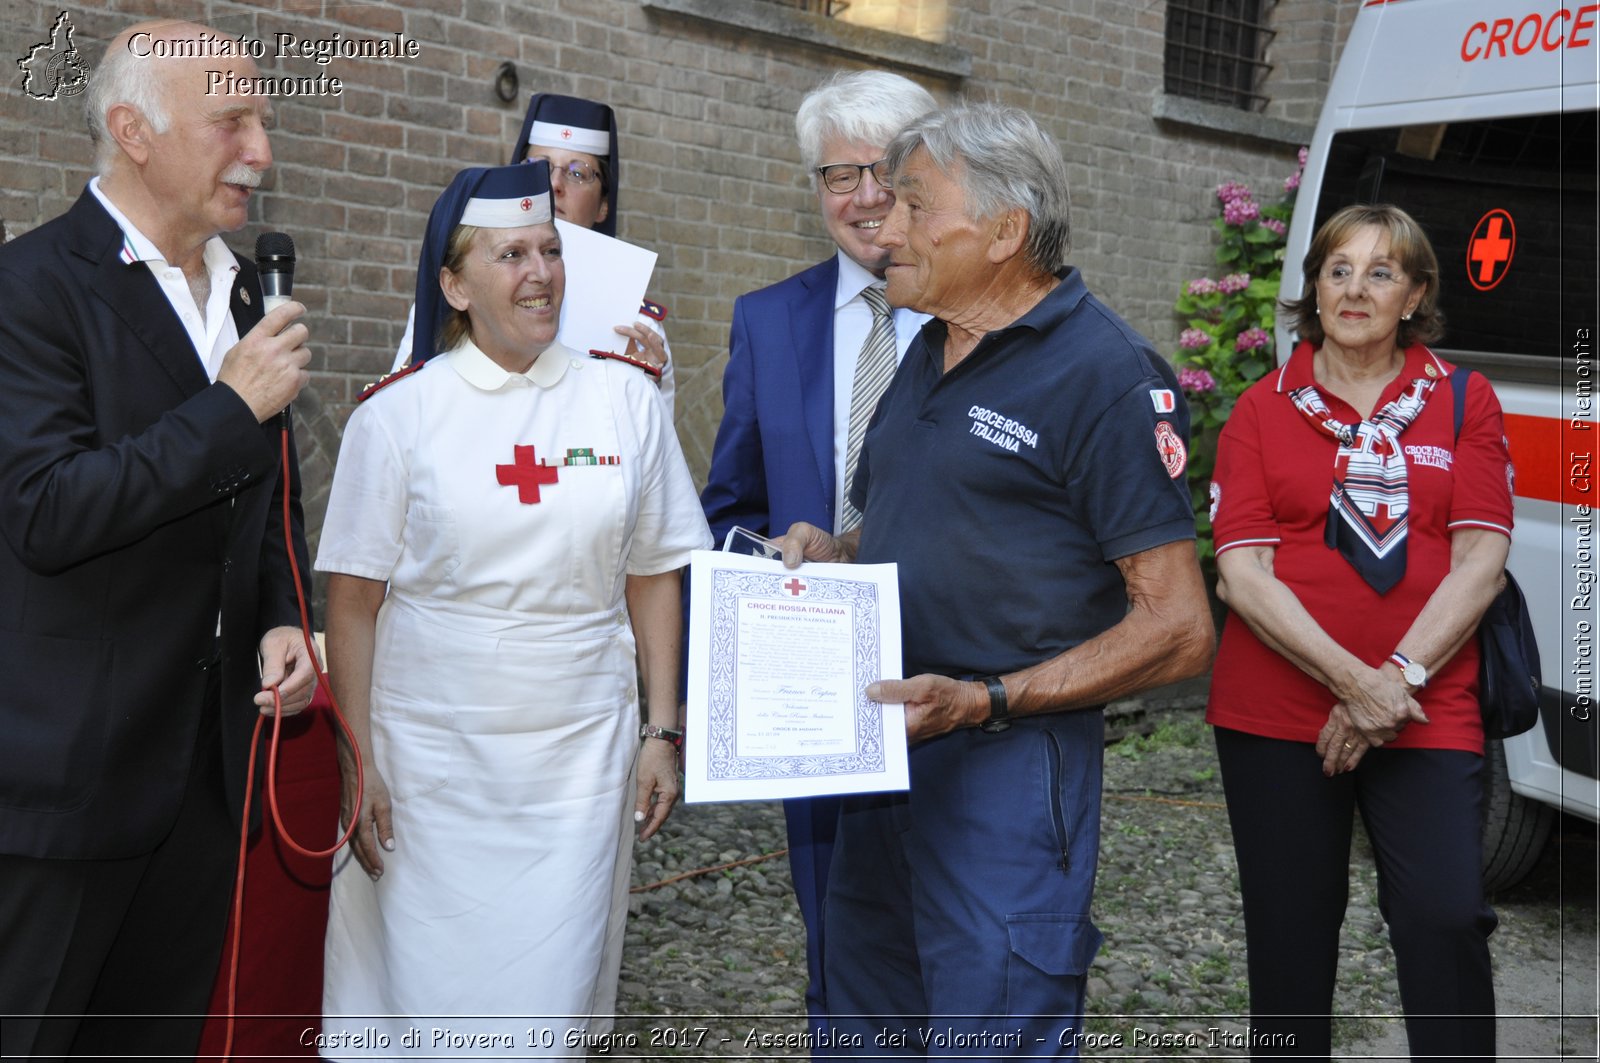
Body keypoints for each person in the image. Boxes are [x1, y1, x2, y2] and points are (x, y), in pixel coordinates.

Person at [778, 103, 1215, 1055]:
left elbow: (1180, 626)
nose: (883, 230)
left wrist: (983, 700)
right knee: (861, 1024)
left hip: (1010, 769)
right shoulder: (928, 343)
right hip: (885, 752)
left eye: (915, 207)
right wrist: (835, 550)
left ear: (1008, 231)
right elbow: (913, 520)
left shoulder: (1106, 372)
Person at [317, 162, 710, 1056]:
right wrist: (360, 758)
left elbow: (652, 574)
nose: (540, 272)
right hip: (427, 765)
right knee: (418, 1001)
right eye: (510, 255)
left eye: (549, 249)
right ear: (453, 285)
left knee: (545, 1003)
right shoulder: (398, 416)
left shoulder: (624, 401)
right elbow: (354, 597)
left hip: (577, 759)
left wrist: (662, 729)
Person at [0, 19, 316, 1058]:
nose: (261, 150)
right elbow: (48, 509)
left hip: (203, 781)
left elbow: (262, 501)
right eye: (232, 121)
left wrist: (280, 615)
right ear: (132, 130)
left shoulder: (240, 290)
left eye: (263, 120)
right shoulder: (33, 288)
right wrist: (231, 407)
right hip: (64, 792)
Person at [1207, 203, 1510, 1059]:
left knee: (1446, 914)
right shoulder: (1262, 409)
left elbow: (1480, 562)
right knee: (1291, 937)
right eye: (1338, 268)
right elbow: (1243, 574)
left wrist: (1395, 681)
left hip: (1428, 701)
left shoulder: (1463, 401)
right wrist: (1355, 681)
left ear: (1414, 295)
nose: (1355, 288)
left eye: (1381, 272)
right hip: (1276, 711)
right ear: (1314, 286)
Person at [698, 68, 936, 1027]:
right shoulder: (768, 321)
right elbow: (728, 507)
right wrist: (771, 574)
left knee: (967, 938)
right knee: (838, 943)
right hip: (817, 692)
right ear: (816, 191)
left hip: (960, 665)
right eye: (841, 175)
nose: (867, 197)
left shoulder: (978, 319)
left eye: (888, 170)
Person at [390, 93, 676, 414]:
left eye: (578, 172)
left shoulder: (637, 326)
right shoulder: (466, 287)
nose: (553, 184)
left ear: (604, 205)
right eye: (540, 166)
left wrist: (644, 392)